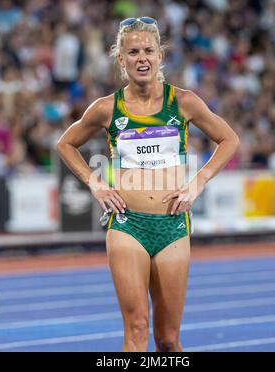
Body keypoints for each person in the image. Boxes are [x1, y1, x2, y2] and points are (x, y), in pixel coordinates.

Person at [56, 17, 240, 352]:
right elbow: (65, 144)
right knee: (137, 329)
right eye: (133, 51)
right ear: (120, 59)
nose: (142, 58)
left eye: (148, 51)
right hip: (128, 226)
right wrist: (96, 184)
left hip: (172, 226)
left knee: (168, 340)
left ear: (160, 56)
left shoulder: (183, 102)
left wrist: (198, 182)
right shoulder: (106, 108)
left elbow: (229, 139)